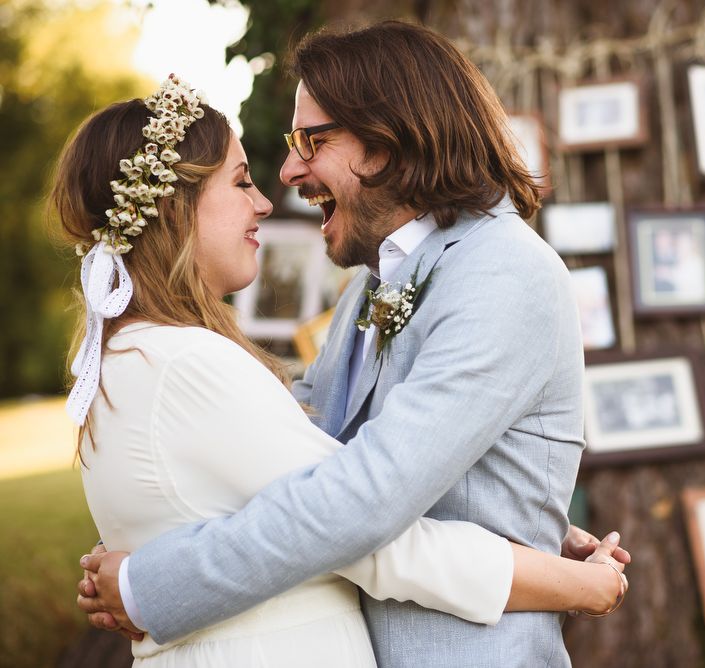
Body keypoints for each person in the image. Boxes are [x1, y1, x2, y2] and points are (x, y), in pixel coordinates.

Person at [74, 22, 629, 668]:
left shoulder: (504, 271)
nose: (287, 172)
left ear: (390, 140)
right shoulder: (367, 293)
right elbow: (292, 451)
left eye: (312, 139)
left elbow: (367, 495)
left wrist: (150, 584)